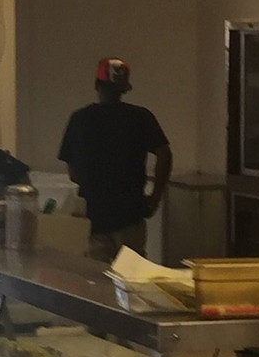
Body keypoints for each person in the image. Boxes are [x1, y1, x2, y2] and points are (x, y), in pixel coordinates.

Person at [58, 57, 173, 263]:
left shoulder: (80, 119)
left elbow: (73, 173)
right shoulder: (140, 117)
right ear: (124, 89)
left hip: (94, 217)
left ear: (97, 85)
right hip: (131, 214)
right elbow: (165, 154)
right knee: (131, 276)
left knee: (96, 278)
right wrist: (155, 197)